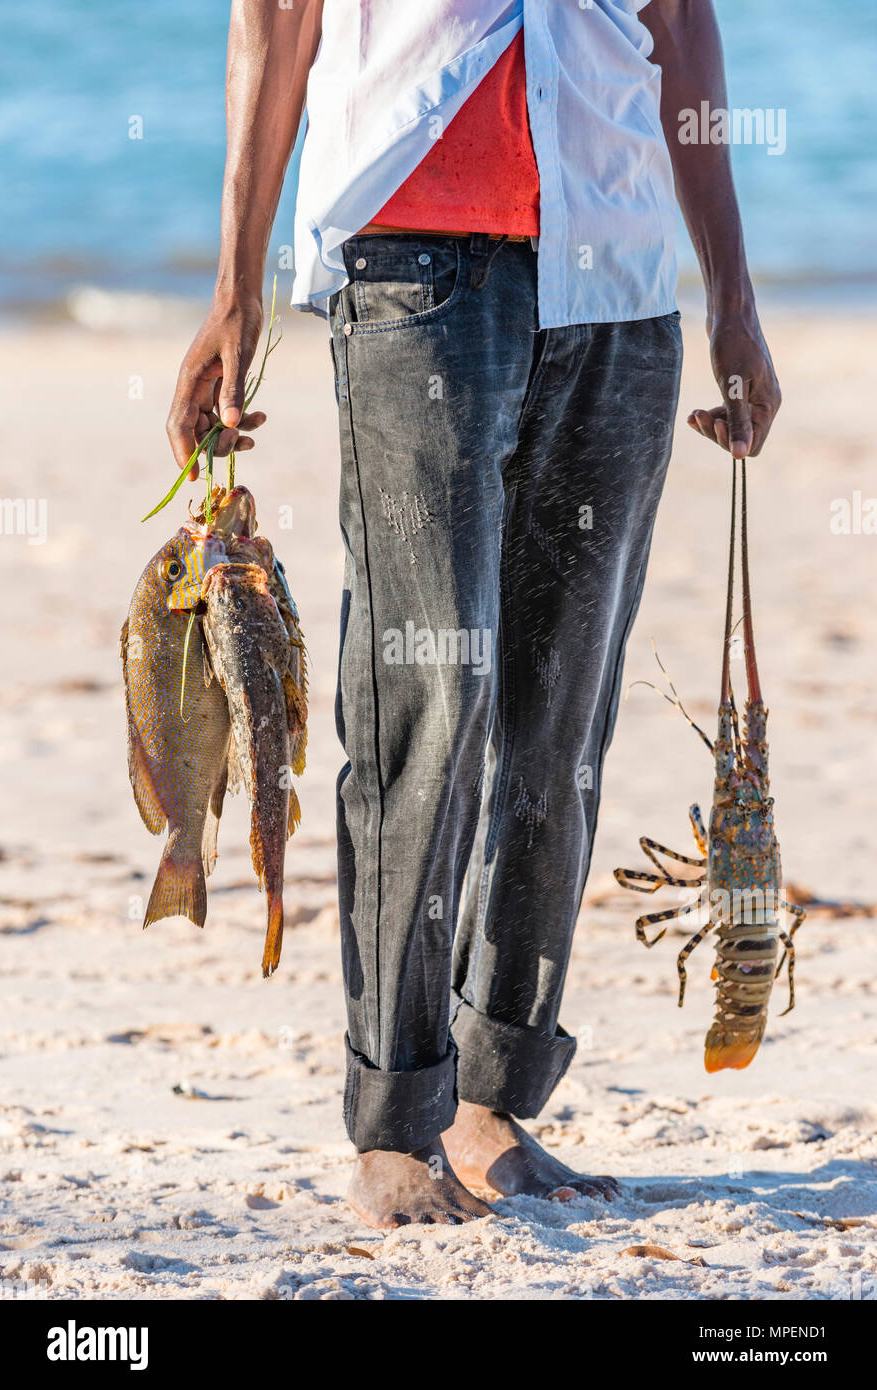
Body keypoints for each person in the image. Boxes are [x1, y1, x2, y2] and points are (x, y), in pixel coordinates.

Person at [167, 0, 780, 1230]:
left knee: (560, 723)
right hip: (412, 265)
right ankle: (396, 1122)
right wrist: (236, 284)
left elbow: (680, 24)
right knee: (425, 707)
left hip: (616, 281)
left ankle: (492, 1101)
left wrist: (731, 295)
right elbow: (276, 18)